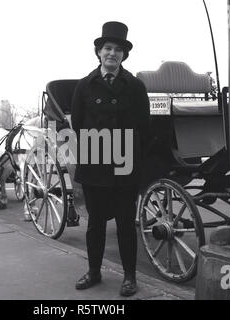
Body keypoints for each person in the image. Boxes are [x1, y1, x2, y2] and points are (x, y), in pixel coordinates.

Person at [71, 21, 150, 297]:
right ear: (98, 52)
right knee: (95, 224)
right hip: (95, 162)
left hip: (125, 162)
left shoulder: (136, 87)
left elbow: (143, 127)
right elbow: (78, 126)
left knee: (126, 224)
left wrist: (137, 164)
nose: (112, 54)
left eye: (118, 49)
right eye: (107, 48)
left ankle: (130, 277)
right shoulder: (84, 86)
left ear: (123, 55)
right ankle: (94, 272)